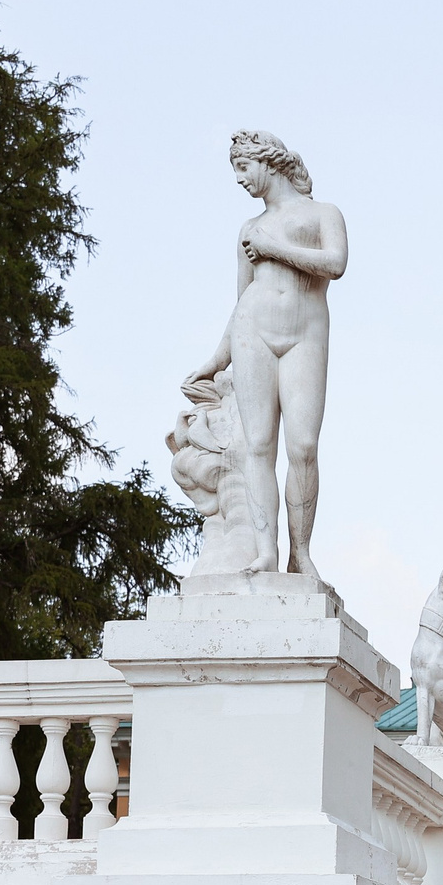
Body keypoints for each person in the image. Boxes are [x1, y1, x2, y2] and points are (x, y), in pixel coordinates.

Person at [183, 129, 347, 575]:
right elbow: (240, 304)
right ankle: (266, 552)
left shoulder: (323, 214)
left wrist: (274, 248)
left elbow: (336, 264)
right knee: (257, 446)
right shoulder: (247, 230)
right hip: (252, 335)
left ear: (267, 162)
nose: (239, 180)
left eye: (242, 168)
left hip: (305, 335)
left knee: (304, 446)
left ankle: (302, 553)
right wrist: (217, 360)